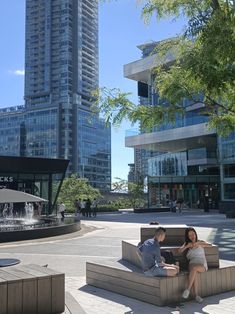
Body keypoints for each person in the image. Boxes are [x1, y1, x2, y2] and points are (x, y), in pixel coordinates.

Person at [178, 227, 212, 303]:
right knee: (193, 270)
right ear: (188, 237)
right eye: (189, 235)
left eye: (193, 234)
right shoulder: (187, 244)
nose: (192, 237)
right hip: (192, 264)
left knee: (194, 269)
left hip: (202, 265)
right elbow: (179, 251)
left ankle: (188, 289)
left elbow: (210, 245)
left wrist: (199, 243)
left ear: (195, 234)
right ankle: (196, 296)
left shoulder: (200, 242)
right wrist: (187, 246)